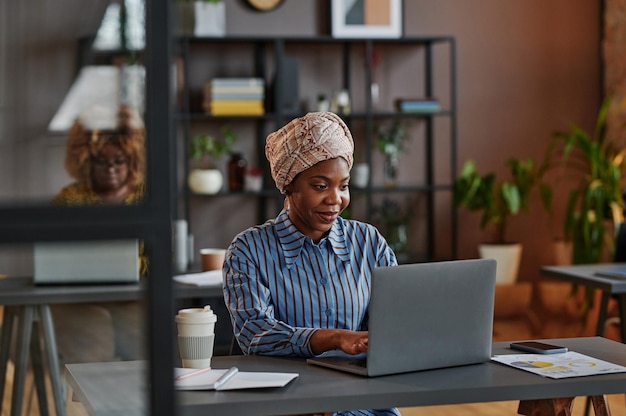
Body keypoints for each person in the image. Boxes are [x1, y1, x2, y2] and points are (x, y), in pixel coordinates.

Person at [223, 112, 400, 416]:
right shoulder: (248, 250)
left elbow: (398, 320)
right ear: (289, 186)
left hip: (362, 404)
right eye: (320, 186)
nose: (336, 199)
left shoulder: (368, 242)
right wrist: (334, 338)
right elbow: (255, 333)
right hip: (289, 406)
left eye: (343, 186)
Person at [51, 105, 147, 362]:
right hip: (77, 300)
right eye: (101, 162)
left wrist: (131, 268)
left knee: (140, 330)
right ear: (85, 160)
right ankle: (84, 400)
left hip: (134, 298)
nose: (111, 169)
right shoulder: (69, 199)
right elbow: (53, 259)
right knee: (89, 334)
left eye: (119, 161)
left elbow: (163, 255)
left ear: (133, 158)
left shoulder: (147, 198)